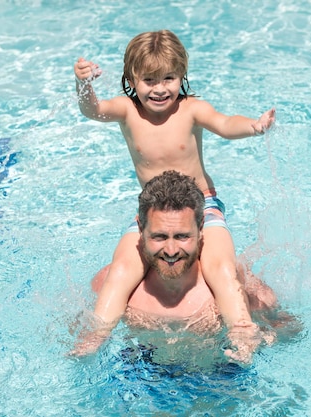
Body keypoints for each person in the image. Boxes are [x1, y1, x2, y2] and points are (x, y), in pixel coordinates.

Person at [73, 30, 276, 358]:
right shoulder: (127, 111)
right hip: (155, 212)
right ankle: (95, 334)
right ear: (131, 79)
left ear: (182, 76)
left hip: (202, 206)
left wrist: (253, 126)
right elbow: (92, 110)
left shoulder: (191, 109)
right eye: (149, 79)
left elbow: (225, 124)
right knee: (122, 269)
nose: (159, 88)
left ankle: (242, 330)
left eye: (169, 78)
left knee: (221, 267)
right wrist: (84, 85)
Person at [70, 171, 280, 363]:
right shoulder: (109, 284)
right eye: (160, 236)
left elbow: (288, 330)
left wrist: (262, 338)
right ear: (140, 230)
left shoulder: (235, 287)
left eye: (182, 236)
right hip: (143, 371)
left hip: (217, 374)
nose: (171, 251)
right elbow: (72, 334)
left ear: (200, 229)